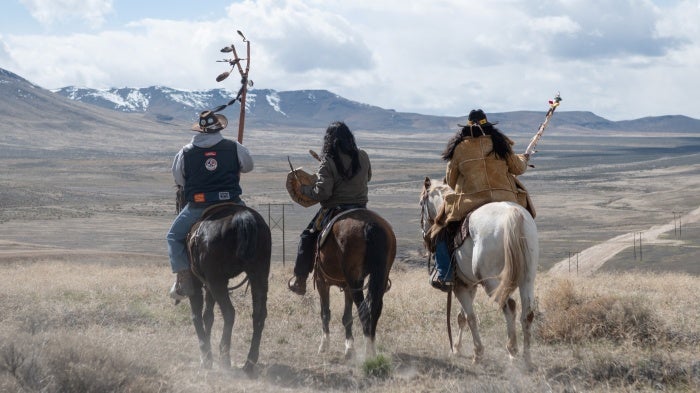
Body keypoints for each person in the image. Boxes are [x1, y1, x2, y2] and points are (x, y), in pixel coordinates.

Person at [429, 109, 532, 291]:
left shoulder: (459, 149)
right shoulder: (500, 143)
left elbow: (451, 181)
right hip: (506, 197)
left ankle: (444, 273)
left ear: (467, 128)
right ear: (487, 125)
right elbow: (518, 168)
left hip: (471, 201)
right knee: (527, 219)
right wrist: (523, 158)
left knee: (440, 229)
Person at [166, 110, 254, 300]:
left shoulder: (185, 151)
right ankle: (255, 265)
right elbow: (248, 166)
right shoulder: (234, 146)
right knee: (253, 227)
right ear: (219, 128)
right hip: (232, 202)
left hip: (199, 205)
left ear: (200, 129)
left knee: (173, 237)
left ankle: (184, 278)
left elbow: (180, 179)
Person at [287, 121, 371, 295]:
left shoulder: (328, 160)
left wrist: (303, 189)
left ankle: (300, 280)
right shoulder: (362, 155)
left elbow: (323, 193)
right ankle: (383, 277)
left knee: (307, 236)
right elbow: (368, 177)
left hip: (335, 209)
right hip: (362, 209)